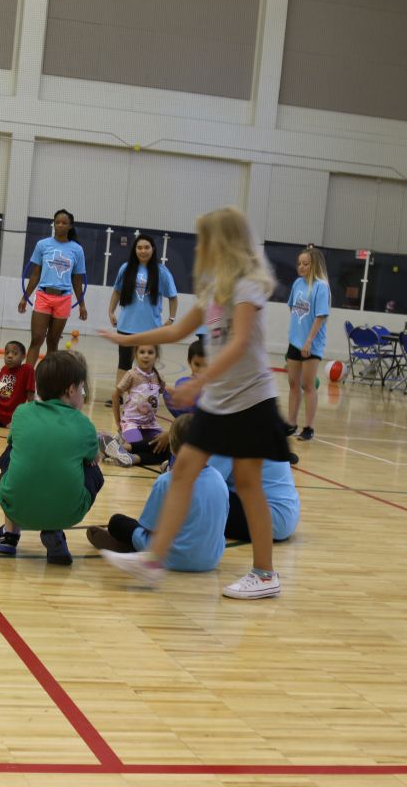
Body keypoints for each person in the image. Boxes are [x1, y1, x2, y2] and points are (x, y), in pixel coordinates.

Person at [96, 206, 290, 599]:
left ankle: (265, 574)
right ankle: (153, 561)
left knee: (251, 485)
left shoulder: (248, 286)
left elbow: (239, 346)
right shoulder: (214, 286)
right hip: (221, 401)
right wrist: (126, 339)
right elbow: (178, 329)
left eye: (207, 238)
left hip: (251, 401)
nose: (202, 246)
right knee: (183, 471)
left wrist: (197, 382)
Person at [0, 350, 104, 565]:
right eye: (81, 389)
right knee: (91, 466)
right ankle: (54, 529)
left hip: (16, 506)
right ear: (71, 390)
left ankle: (10, 533)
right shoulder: (84, 424)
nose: (83, 394)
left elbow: (16, 446)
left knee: (10, 455)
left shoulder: (22, 412)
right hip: (68, 513)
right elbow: (94, 456)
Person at [88, 414, 228, 572]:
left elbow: (150, 529)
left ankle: (130, 549)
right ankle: (131, 549)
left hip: (169, 557)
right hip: (211, 559)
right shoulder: (219, 479)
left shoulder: (167, 481)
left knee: (118, 522)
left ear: (172, 449)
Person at [106, 234, 178, 405]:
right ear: (135, 250)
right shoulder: (126, 268)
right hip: (126, 326)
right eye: (139, 247)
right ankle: (118, 396)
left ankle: (147, 396)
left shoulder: (162, 272)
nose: (143, 251)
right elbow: (117, 291)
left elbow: (173, 297)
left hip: (150, 329)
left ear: (153, 249)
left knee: (147, 365)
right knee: (123, 362)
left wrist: (171, 318)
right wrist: (111, 312)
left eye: (147, 247)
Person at [18, 209, 88, 365]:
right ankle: (27, 378)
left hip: (64, 299)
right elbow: (35, 274)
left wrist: (82, 305)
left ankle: (49, 379)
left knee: (53, 342)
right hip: (43, 296)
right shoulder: (42, 245)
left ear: (70, 226)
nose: (60, 225)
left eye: (64, 223)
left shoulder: (77, 250)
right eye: (57, 222)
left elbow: (77, 281)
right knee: (37, 339)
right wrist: (25, 297)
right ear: (54, 224)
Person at [285, 245, 330, 441]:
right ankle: (291, 423)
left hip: (312, 344)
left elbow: (320, 317)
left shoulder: (321, 286)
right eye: (299, 263)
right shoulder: (297, 284)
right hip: (295, 342)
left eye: (306, 264)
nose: (301, 267)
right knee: (293, 383)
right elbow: (292, 308)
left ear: (314, 265)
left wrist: (309, 340)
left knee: (308, 385)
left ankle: (309, 427)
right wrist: (296, 334)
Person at [100, 343, 168, 468]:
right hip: (131, 424)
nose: (146, 356)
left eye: (150, 352)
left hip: (151, 425)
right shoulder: (132, 375)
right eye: (142, 352)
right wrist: (119, 422)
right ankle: (121, 442)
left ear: (156, 356)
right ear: (135, 355)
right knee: (138, 446)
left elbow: (164, 394)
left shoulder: (158, 377)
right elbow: (115, 396)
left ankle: (120, 449)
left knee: (165, 445)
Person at [206, 454, 300, 543]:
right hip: (284, 516)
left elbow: (207, 481)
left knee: (202, 497)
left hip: (270, 517)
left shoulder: (227, 437)